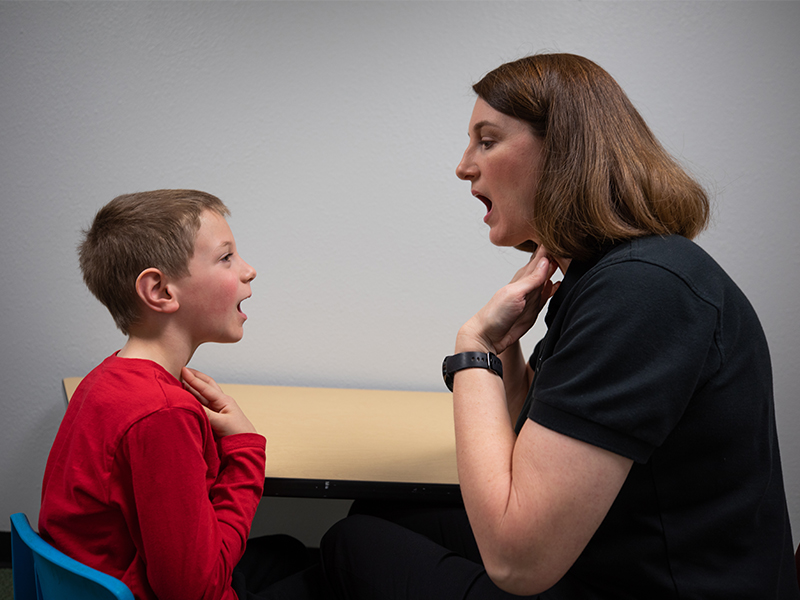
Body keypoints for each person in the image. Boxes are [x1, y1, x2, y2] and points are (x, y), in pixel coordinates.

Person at [320, 54, 799, 598]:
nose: (463, 166)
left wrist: (472, 348)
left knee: (350, 542)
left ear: (562, 150)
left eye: (487, 140)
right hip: (611, 553)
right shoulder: (612, 274)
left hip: (644, 582)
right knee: (381, 512)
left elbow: (516, 559)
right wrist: (504, 347)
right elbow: (536, 447)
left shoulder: (643, 292)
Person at [39, 190, 325, 600]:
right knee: (341, 566)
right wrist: (245, 452)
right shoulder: (162, 413)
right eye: (226, 257)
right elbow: (195, 591)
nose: (249, 270)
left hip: (110, 579)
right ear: (160, 290)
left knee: (288, 552)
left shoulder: (104, 379)